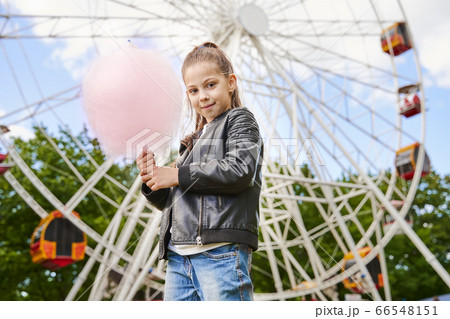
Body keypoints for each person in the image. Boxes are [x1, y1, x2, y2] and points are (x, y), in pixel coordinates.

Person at [136, 42, 263, 301]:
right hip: (178, 258)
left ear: (231, 82)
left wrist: (177, 175)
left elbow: (240, 170)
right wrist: (153, 180)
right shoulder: (191, 143)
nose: (202, 96)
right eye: (193, 90)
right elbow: (178, 201)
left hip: (220, 253)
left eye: (210, 85)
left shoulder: (240, 119)